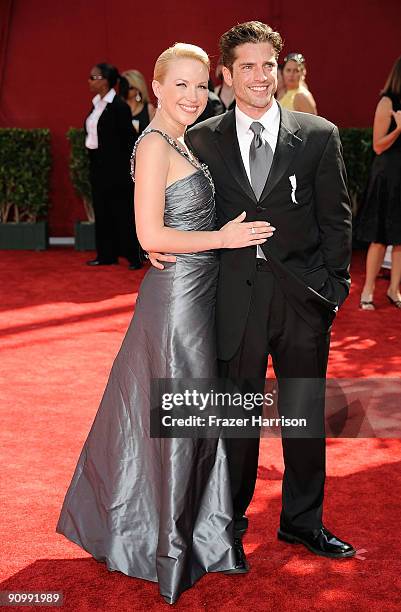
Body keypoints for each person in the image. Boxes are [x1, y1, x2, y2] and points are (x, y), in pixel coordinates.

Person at [56, 43, 274, 604]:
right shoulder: (153, 145)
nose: (192, 96)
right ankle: (171, 551)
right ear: (155, 87)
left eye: (201, 86)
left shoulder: (182, 141)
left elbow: (183, 219)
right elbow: (150, 236)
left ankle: (196, 539)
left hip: (197, 299)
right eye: (180, 84)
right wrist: (223, 238)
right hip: (176, 304)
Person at [149, 21, 355, 567]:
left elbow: (337, 221)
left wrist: (331, 292)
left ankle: (302, 522)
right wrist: (157, 242)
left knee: (303, 417)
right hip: (231, 299)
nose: (260, 76)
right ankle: (228, 521)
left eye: (268, 64)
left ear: (280, 68)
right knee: (235, 424)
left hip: (301, 300)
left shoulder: (318, 135)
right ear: (228, 74)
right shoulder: (202, 139)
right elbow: (176, 207)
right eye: (247, 66)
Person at [85, 63, 142, 269]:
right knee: (102, 211)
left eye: (93, 77)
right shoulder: (96, 104)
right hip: (97, 167)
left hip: (116, 171)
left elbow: (129, 140)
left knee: (123, 213)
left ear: (105, 81)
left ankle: (133, 256)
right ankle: (105, 254)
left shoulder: (119, 107)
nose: (89, 81)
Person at [356, 56, 401, 309]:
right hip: (387, 178)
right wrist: (398, 130)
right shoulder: (388, 101)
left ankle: (394, 290)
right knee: (379, 236)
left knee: (400, 238)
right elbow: (377, 145)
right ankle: (368, 291)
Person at [121, 69, 156, 135]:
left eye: (130, 87)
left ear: (138, 88)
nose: (125, 89)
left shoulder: (149, 109)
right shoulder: (118, 108)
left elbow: (154, 133)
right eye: (123, 86)